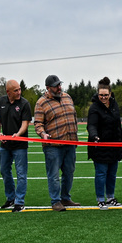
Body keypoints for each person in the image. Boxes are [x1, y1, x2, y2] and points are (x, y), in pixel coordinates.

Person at [35, 74, 80, 211]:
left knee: (69, 172)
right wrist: (43, 134)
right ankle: (55, 201)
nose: (59, 87)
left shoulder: (67, 97)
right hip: (53, 146)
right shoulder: (41, 103)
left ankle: (65, 198)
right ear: (48, 88)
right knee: (53, 175)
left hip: (70, 142)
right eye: (56, 86)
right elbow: (38, 123)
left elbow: (74, 116)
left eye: (59, 85)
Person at [0, 79, 33, 212]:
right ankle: (11, 198)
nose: (19, 92)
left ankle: (19, 202)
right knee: (4, 170)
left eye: (20, 89)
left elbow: (25, 123)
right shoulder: (0, 102)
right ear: (8, 92)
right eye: (16, 90)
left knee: (21, 173)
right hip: (5, 144)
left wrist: (18, 134)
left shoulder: (24, 103)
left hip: (20, 145)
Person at [86, 77, 122, 210]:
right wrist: (94, 136)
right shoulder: (94, 108)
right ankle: (100, 199)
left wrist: (120, 140)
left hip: (114, 145)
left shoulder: (114, 105)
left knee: (112, 174)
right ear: (97, 94)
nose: (103, 97)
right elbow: (91, 125)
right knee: (101, 173)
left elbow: (118, 124)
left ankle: (110, 197)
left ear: (110, 94)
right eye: (101, 95)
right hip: (100, 146)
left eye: (106, 95)